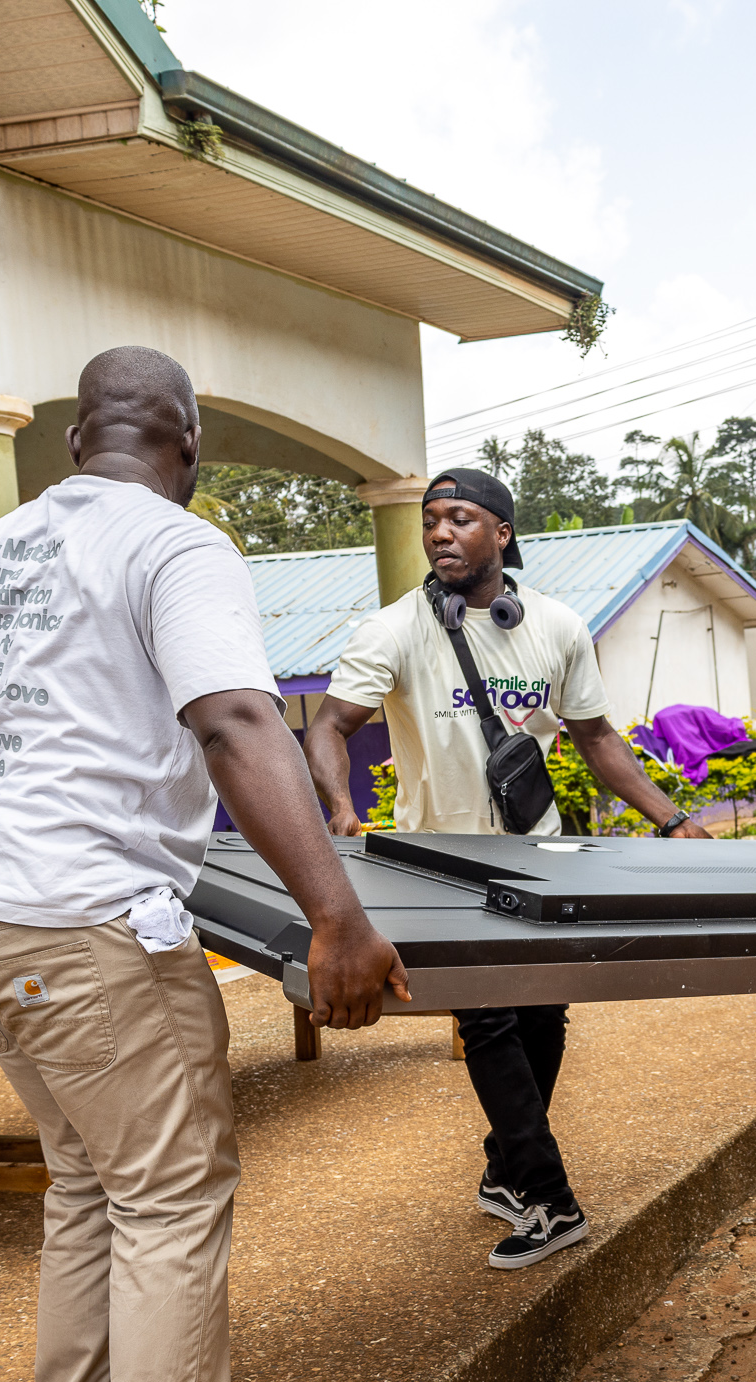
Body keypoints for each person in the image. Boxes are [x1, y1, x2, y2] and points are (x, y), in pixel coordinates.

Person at [0, 347, 409, 1382]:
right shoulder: (178, 545)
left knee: (89, 1182)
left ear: (78, 439)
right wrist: (335, 917)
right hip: (81, 919)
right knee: (172, 1194)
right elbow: (236, 718)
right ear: (186, 444)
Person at [303, 467, 712, 1271]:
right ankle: (549, 1198)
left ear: (502, 534)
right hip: (439, 864)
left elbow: (595, 739)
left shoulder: (557, 627)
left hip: (541, 852)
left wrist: (672, 818)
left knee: (541, 1017)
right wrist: (339, 808)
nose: (440, 533)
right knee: (487, 1018)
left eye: (460, 518)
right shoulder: (392, 630)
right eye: (431, 521)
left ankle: (504, 1165)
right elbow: (327, 729)